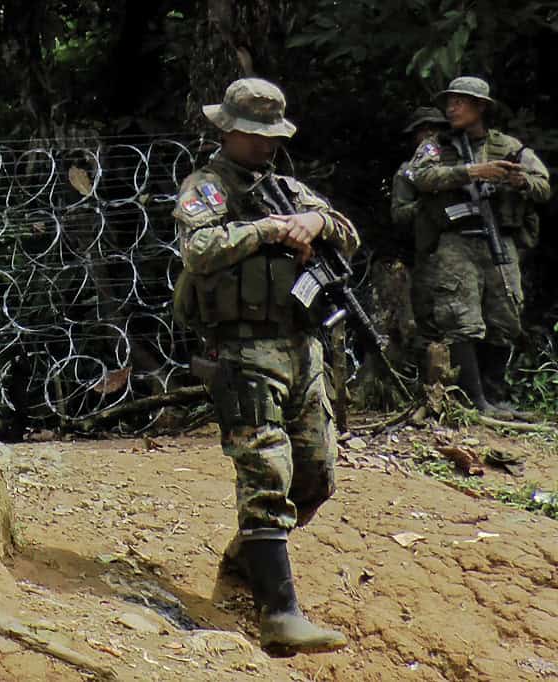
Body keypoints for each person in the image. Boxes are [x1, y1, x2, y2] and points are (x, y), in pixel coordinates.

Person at [172, 78, 358, 655]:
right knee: (265, 472)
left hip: (302, 348)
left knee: (316, 476)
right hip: (244, 350)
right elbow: (197, 249)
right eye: (253, 135)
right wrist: (266, 231)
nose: (264, 145)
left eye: (270, 135)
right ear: (226, 131)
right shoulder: (207, 187)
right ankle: (279, 614)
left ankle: (243, 560)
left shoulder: (286, 187)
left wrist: (316, 224)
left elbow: (348, 234)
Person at [408, 77, 550, 415]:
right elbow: (420, 177)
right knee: (460, 317)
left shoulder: (510, 147)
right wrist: (471, 172)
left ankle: (494, 395)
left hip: (499, 240)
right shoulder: (436, 146)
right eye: (450, 101)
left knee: (506, 316)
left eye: (460, 101)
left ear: (480, 107)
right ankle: (473, 400)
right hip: (456, 241)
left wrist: (520, 181)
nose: (452, 108)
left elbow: (543, 186)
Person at [391, 106, 449, 353]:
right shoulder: (407, 172)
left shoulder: (458, 166)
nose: (428, 136)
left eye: (433, 129)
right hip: (430, 253)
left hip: (465, 247)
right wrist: (425, 206)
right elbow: (399, 214)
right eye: (422, 131)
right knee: (430, 323)